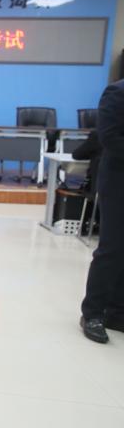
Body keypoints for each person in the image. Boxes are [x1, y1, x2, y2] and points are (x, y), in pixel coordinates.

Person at [80, 79, 124, 343]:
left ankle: (117, 312)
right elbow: (109, 138)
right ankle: (92, 313)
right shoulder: (117, 92)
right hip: (119, 183)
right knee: (112, 249)